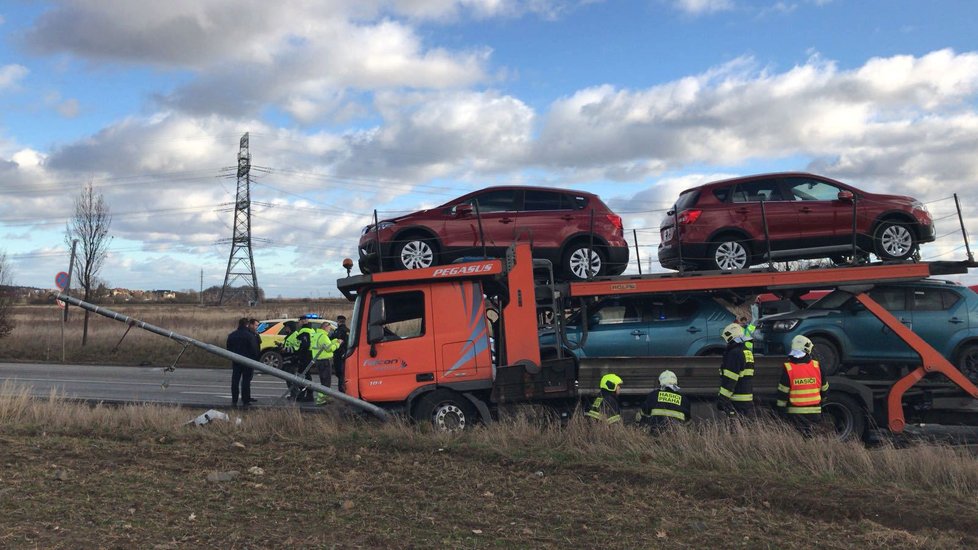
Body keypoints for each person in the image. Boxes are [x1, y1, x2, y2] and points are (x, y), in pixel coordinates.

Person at [776, 335, 829, 437]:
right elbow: (825, 388)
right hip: (815, 412)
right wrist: (822, 401)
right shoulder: (816, 366)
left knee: (798, 439)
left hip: (795, 413)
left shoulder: (789, 368)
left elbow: (783, 392)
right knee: (812, 439)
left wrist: (781, 410)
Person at [717, 322, 755, 418]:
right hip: (747, 399)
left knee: (735, 429)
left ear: (731, 337)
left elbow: (730, 378)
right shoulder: (747, 351)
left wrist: (722, 399)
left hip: (736, 401)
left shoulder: (735, 353)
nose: (726, 343)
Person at [226, 317, 259, 407]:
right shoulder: (250, 336)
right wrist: (254, 359)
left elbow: (228, 348)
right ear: (247, 325)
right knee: (246, 382)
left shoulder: (232, 335)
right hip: (247, 361)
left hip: (236, 361)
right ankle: (245, 400)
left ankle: (234, 400)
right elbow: (254, 349)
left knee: (235, 381)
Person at [283, 315, 317, 401]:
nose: (298, 323)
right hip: (311, 355)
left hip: (305, 356)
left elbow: (304, 345)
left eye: (299, 321)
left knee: (303, 376)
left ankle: (305, 395)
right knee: (306, 375)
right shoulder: (311, 330)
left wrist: (299, 353)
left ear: (303, 321)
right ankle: (307, 395)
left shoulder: (304, 331)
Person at [312, 325, 342, 405]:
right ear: (325, 327)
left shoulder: (317, 335)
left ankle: (325, 397)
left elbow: (325, 345)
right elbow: (330, 348)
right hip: (325, 361)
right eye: (329, 328)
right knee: (326, 381)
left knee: (323, 380)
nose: (329, 330)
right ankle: (321, 400)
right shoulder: (323, 336)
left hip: (319, 360)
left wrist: (335, 340)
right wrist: (338, 344)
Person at [329, 315, 350, 393]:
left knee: (340, 373)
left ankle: (342, 390)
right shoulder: (347, 330)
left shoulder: (340, 331)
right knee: (341, 373)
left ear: (338, 321)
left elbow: (334, 339)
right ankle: (342, 389)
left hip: (339, 354)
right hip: (343, 354)